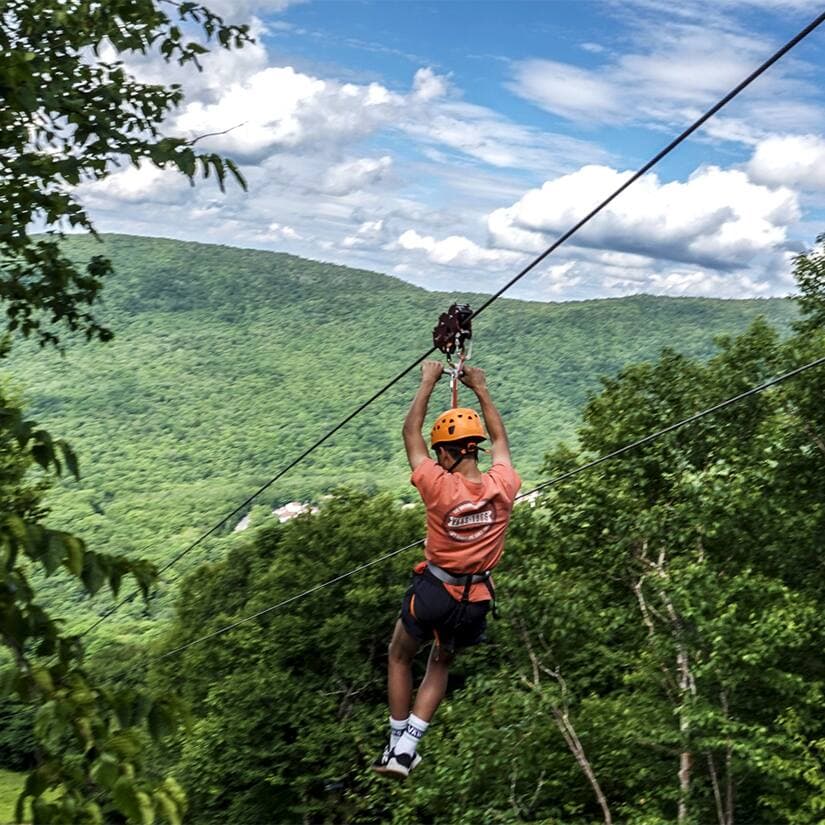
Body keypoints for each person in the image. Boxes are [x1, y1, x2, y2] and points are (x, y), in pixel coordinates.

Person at [372, 360, 521, 779]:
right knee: (440, 663)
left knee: (399, 655)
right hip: (475, 599)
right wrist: (481, 388)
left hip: (434, 593)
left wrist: (427, 382)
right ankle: (408, 749)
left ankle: (395, 742)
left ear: (445, 454)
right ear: (475, 449)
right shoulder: (504, 485)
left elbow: (410, 434)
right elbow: (501, 440)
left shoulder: (438, 487)